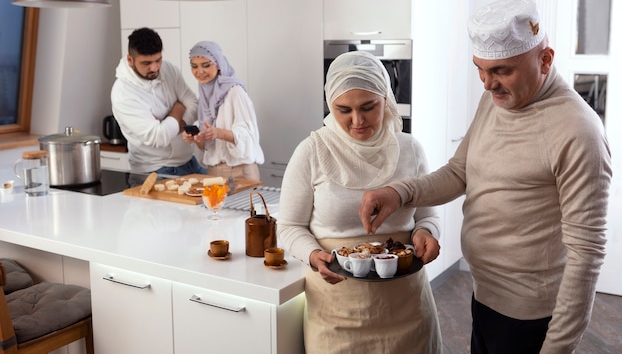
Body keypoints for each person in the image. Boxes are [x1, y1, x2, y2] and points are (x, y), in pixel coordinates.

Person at [359, 0, 612, 354]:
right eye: (481, 69)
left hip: (532, 318)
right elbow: (460, 172)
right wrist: (398, 193)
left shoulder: (577, 130)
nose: (487, 84)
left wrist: (557, 348)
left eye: (502, 71)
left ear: (545, 59)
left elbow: (587, 253)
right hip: (485, 296)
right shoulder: (496, 101)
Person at [278, 51, 443, 354]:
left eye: (369, 107)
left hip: (407, 304)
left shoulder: (410, 149)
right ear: (330, 105)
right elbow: (289, 225)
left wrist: (425, 234)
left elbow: (428, 216)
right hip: (337, 307)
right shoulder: (312, 151)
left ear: (386, 99)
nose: (357, 121)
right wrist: (313, 254)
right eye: (344, 110)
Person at [111, 27, 204, 175]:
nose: (154, 68)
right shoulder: (123, 93)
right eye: (146, 63)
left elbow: (194, 104)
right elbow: (158, 137)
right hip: (154, 171)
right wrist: (178, 108)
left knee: (222, 195)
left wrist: (169, 125)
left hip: (189, 161)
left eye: (158, 60)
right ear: (130, 60)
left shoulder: (168, 69)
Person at [182, 41, 264, 181]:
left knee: (247, 204)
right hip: (214, 171)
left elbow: (249, 138)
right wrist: (197, 138)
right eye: (194, 66)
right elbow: (208, 147)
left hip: (240, 171)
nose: (200, 72)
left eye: (206, 65)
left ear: (218, 64)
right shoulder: (204, 97)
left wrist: (219, 133)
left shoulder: (235, 92)